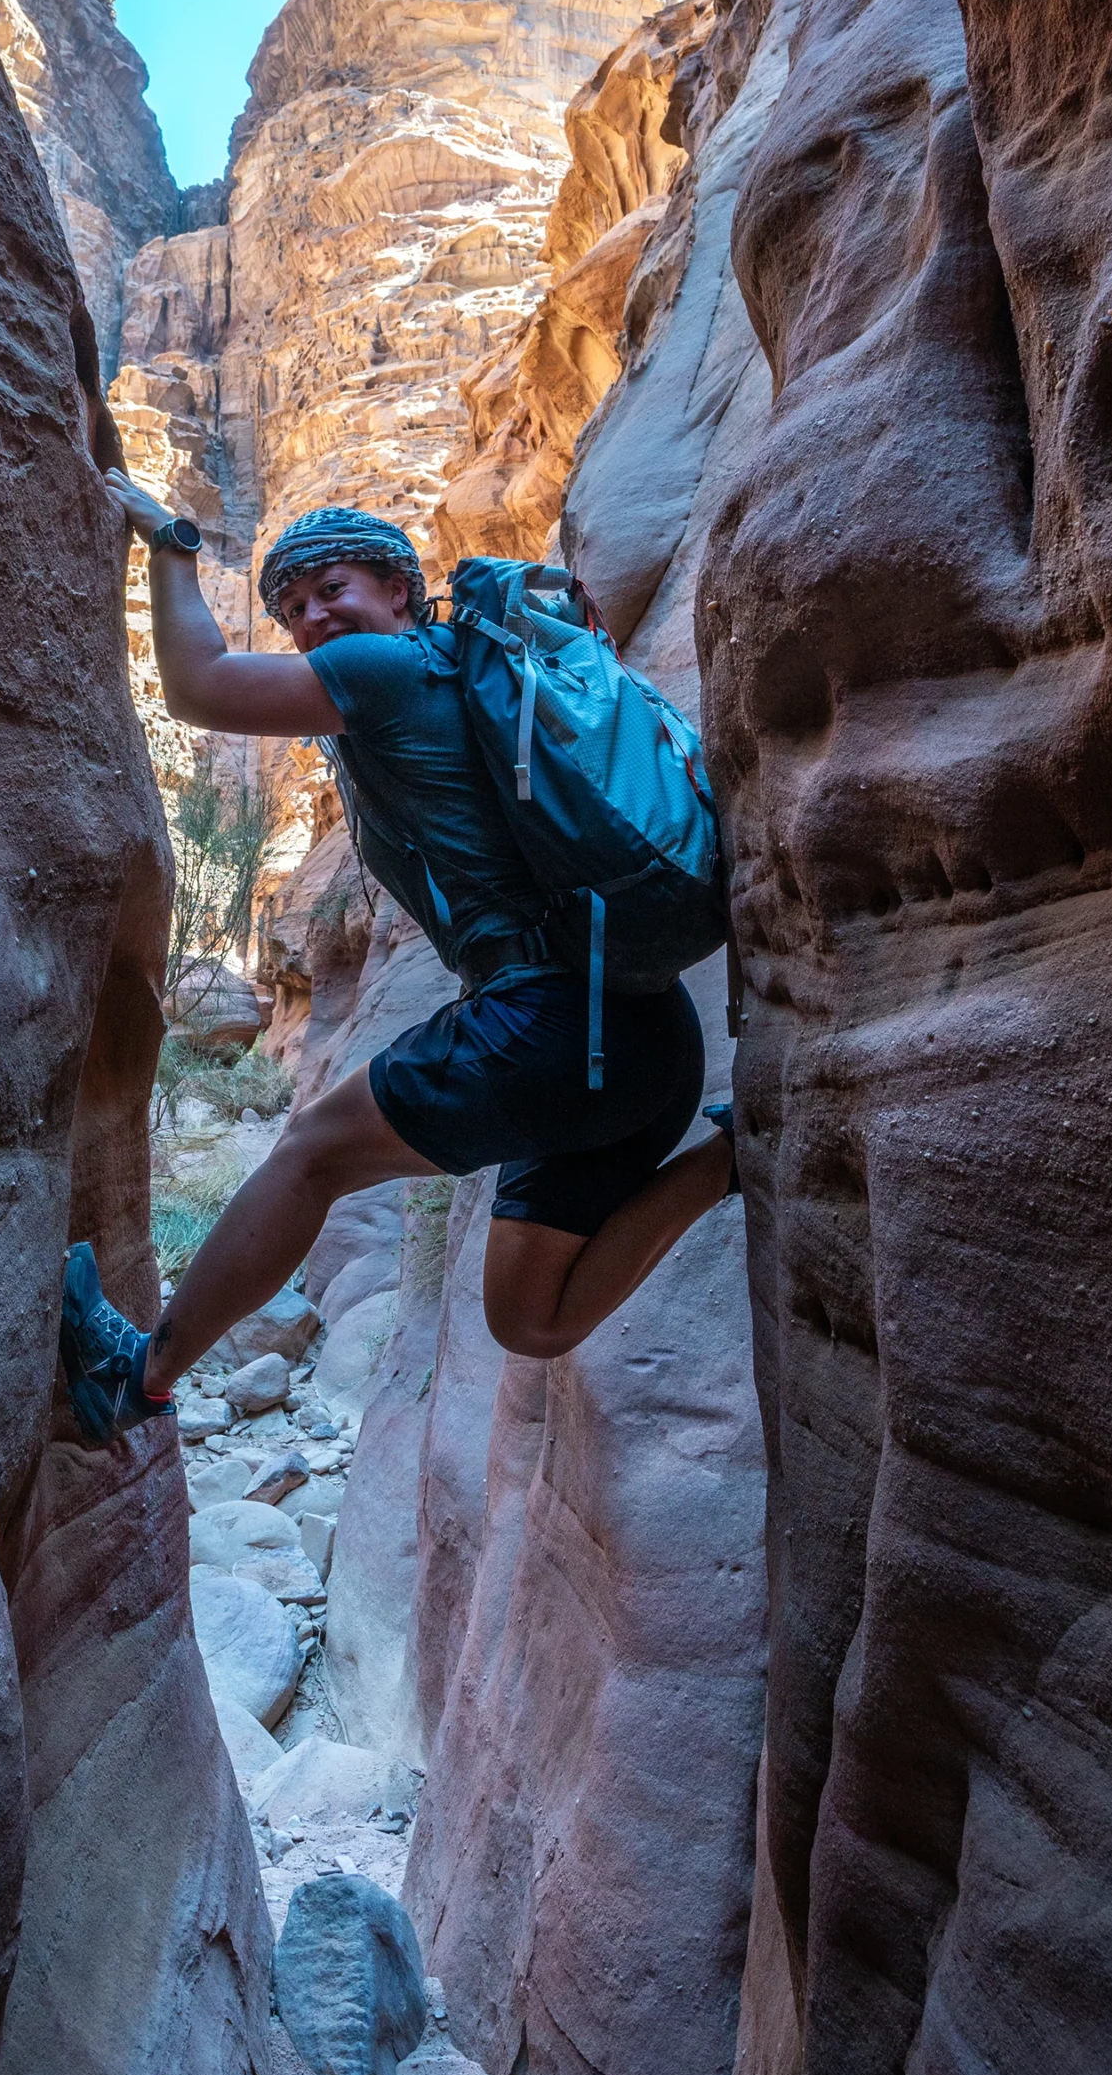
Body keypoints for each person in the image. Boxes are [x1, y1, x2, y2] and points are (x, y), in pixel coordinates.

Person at [60, 474, 738, 1440]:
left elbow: (198, 687)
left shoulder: (390, 670)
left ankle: (139, 1377)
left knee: (309, 1156)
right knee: (530, 1316)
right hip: (638, 1039)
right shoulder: (461, 676)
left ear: (398, 589)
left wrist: (172, 546)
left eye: (330, 589)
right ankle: (731, 1155)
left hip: (547, 1024)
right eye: (290, 610)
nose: (311, 618)